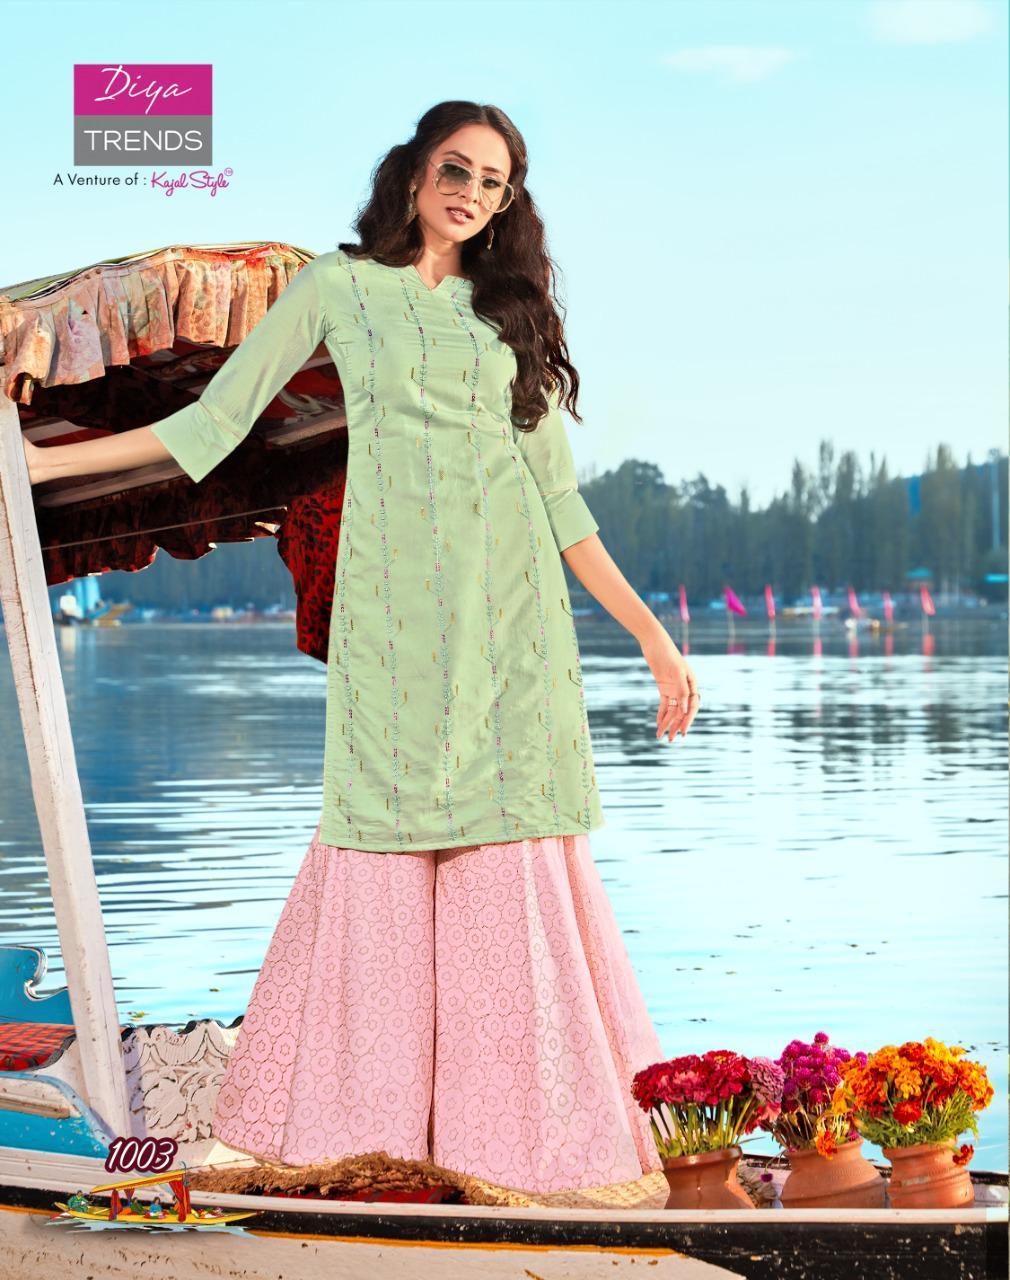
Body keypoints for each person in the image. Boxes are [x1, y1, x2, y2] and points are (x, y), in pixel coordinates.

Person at [24, 101, 701, 1194]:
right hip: (392, 632)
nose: (469, 193)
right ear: (414, 173)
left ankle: (529, 1150)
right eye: (455, 169)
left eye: (491, 181)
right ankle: (357, 1138)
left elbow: (561, 506)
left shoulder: (508, 319)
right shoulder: (339, 288)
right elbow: (214, 425)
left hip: (514, 631)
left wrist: (655, 642)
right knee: (379, 853)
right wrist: (39, 467)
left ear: (506, 203)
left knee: (509, 869)